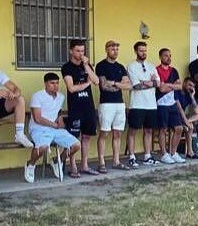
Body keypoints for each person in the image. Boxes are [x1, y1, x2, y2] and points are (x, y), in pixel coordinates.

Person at [24, 72, 80, 183]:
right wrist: (55, 125)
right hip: (38, 129)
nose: (55, 86)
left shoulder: (61, 97)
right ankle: (30, 164)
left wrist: (60, 123)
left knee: (76, 145)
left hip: (55, 129)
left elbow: (58, 112)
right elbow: (37, 118)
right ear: (45, 83)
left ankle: (56, 161)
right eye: (52, 83)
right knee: (43, 147)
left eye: (57, 83)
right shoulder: (37, 96)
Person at [61, 38, 100, 176]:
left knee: (87, 137)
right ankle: (72, 166)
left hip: (89, 107)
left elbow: (96, 81)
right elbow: (71, 88)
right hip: (75, 108)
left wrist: (86, 65)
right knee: (74, 138)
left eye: (83, 51)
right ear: (71, 51)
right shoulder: (67, 67)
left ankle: (84, 165)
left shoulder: (86, 65)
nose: (81, 53)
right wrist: (87, 84)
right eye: (78, 51)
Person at [95, 39, 129, 172]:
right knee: (104, 133)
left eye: (117, 49)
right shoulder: (101, 66)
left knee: (117, 133)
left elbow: (128, 85)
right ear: (107, 50)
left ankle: (116, 161)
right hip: (106, 104)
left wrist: (114, 83)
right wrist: (119, 85)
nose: (115, 51)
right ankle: (101, 162)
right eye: (112, 49)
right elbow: (103, 86)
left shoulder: (120, 67)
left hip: (120, 103)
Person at [126, 40, 159, 168]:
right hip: (137, 104)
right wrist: (150, 82)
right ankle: (131, 156)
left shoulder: (151, 66)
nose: (143, 53)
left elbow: (158, 83)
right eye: (141, 50)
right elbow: (136, 86)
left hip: (151, 104)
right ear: (136, 51)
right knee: (133, 130)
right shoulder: (131, 66)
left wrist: (144, 82)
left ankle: (147, 156)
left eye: (145, 50)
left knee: (149, 130)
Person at [155, 47, 184, 164]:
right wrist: (173, 85)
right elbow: (161, 89)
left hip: (172, 103)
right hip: (161, 103)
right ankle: (164, 154)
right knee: (163, 129)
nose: (168, 58)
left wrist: (168, 85)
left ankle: (173, 153)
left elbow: (180, 86)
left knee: (179, 128)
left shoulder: (174, 71)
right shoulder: (156, 70)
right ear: (160, 57)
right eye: (166, 55)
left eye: (170, 55)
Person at [174, 78, 198, 159]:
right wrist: (186, 122)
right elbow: (179, 109)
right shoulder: (177, 91)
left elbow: (197, 110)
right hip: (174, 115)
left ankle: (190, 152)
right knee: (190, 127)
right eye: (189, 85)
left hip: (183, 117)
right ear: (184, 83)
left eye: (193, 86)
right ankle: (190, 152)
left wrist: (192, 96)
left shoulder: (188, 94)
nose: (191, 88)